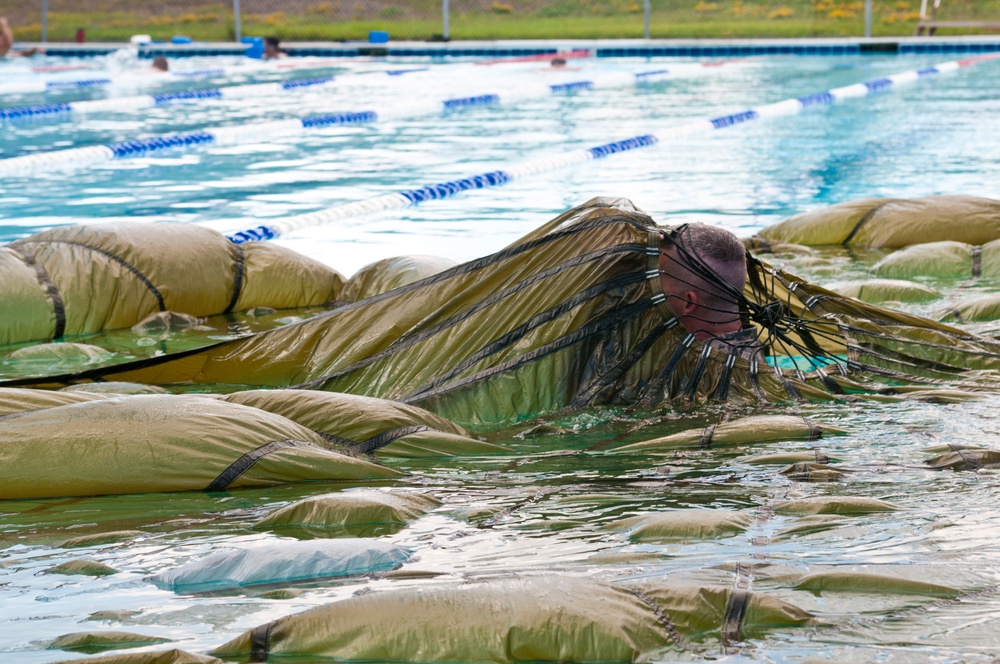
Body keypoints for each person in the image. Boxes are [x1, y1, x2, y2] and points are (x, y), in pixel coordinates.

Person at [658, 223, 763, 360]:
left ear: (688, 301)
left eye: (657, 278)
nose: (648, 288)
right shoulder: (753, 351)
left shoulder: (685, 371)